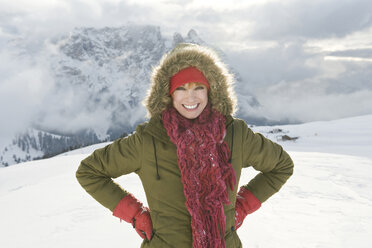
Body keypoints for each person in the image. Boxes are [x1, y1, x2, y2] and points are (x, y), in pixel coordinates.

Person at [76, 43, 294, 248]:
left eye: (199, 87)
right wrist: (136, 215)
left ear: (211, 90)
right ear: (168, 93)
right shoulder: (149, 140)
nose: (191, 97)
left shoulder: (235, 134)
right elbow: (90, 171)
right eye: (181, 88)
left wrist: (244, 206)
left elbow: (281, 166)